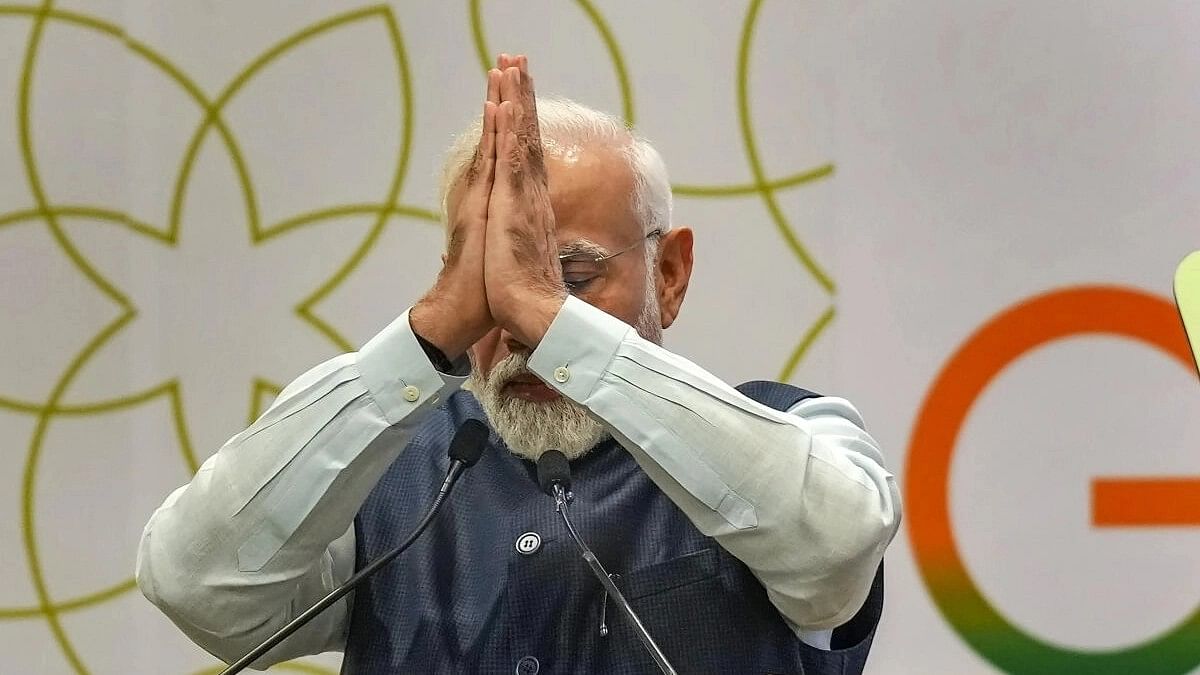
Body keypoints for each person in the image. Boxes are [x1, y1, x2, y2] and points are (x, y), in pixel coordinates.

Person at [136, 54, 901, 674]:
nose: (528, 324)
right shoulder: (396, 477)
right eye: (494, 287)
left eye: (572, 280)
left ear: (669, 273)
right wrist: (430, 330)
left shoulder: (793, 428)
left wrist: (554, 325)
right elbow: (196, 585)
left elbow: (837, 546)